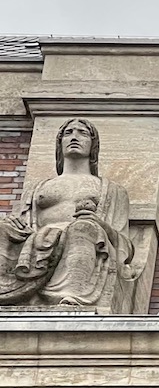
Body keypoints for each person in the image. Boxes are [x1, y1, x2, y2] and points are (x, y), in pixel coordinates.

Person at [0, 117, 135, 312]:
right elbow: (24, 222)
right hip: (36, 240)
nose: (74, 137)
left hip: (81, 235)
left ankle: (72, 296)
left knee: (83, 228)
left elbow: (124, 243)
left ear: (93, 145)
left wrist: (99, 223)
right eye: (68, 133)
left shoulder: (112, 190)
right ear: (60, 142)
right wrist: (14, 223)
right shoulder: (37, 187)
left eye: (83, 133)